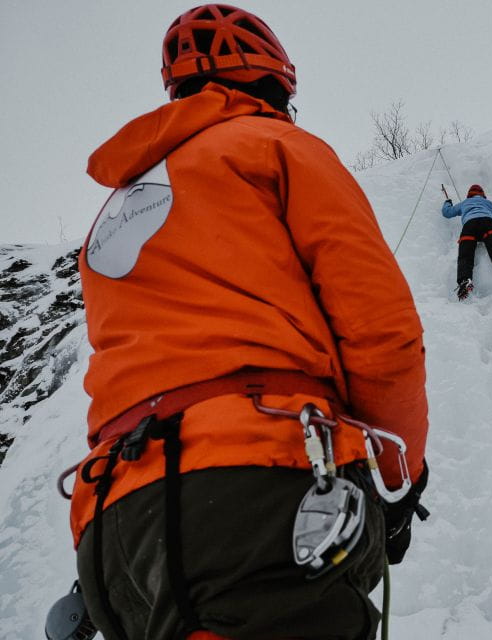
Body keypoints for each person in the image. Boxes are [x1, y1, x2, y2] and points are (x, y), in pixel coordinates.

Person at [67, 5, 429, 640]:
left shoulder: (114, 213)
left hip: (115, 525)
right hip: (262, 481)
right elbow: (380, 330)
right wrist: (399, 479)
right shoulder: (277, 146)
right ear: (277, 84)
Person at [442, 184, 492, 300]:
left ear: (469, 195)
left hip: (469, 226)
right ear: (483, 195)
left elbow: (447, 213)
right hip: (488, 225)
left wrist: (447, 202)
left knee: (465, 255)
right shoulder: (489, 204)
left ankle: (465, 280)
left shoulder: (465, 203)